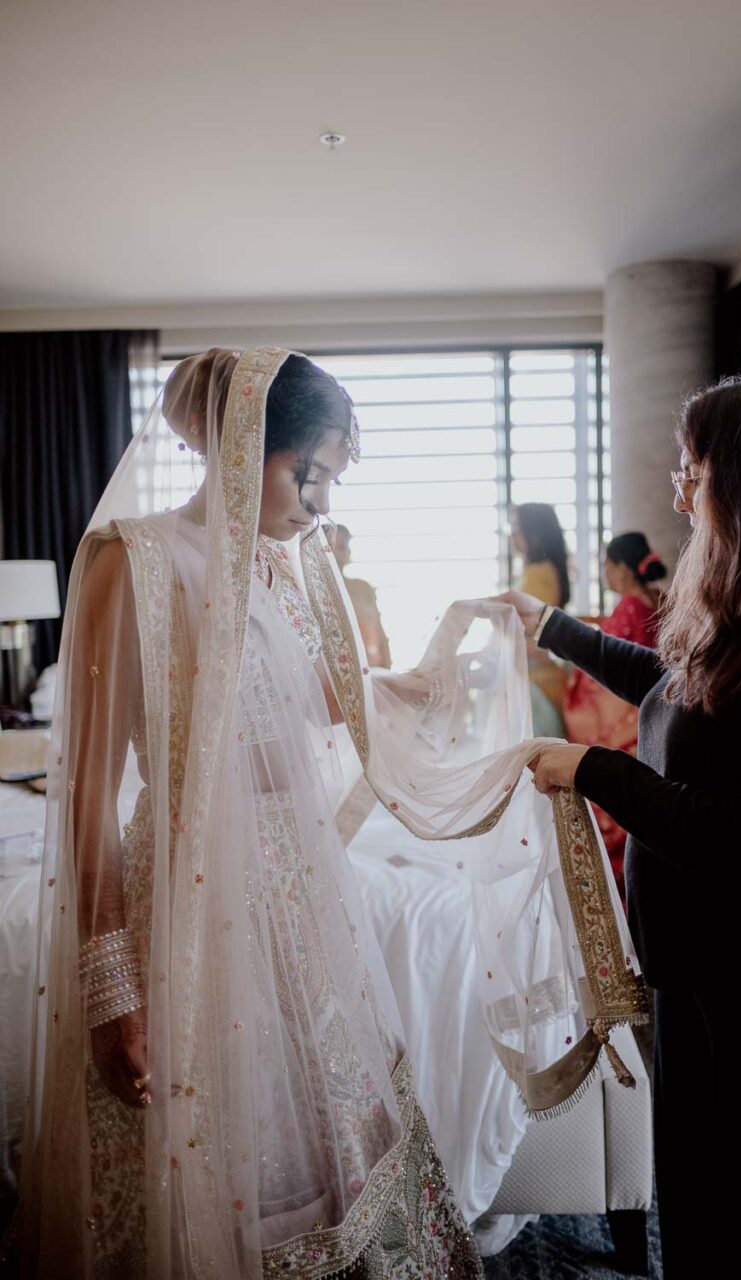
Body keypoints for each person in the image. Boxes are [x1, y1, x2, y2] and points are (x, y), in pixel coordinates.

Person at [11, 347, 646, 1278]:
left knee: (332, 1132)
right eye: (310, 477)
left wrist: (449, 664)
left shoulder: (293, 571)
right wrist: (113, 989)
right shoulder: (136, 562)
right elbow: (90, 792)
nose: (321, 507)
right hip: (188, 903)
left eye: (332, 483)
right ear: (241, 445)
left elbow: (338, 707)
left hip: (305, 894)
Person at [501, 372, 741, 1280]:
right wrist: (553, 629)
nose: (677, 490)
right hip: (700, 980)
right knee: (698, 1213)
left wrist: (596, 770)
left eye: (691, 469)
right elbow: (671, 693)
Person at [563, 532, 666, 899]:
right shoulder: (656, 601)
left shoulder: (627, 609)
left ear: (621, 569)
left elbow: (601, 684)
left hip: (624, 719)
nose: (604, 572)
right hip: (652, 718)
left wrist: (574, 680)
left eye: (607, 564)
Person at [510, 503, 570, 736]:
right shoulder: (540, 571)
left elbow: (534, 634)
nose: (512, 535)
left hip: (536, 683)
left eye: (517, 528)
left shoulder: (538, 574)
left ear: (533, 533)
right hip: (538, 677)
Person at [331, 524, 392, 668]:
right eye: (331, 547)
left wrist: (387, 667)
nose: (336, 553)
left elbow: (379, 631)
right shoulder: (315, 591)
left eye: (342, 546)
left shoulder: (363, 587)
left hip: (374, 669)